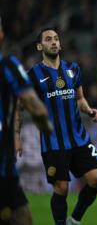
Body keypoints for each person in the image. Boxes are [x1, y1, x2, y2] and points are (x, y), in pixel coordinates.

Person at [17, 27, 97, 225]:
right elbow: (19, 107)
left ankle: (74, 220)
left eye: (56, 39)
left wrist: (89, 110)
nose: (54, 42)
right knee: (61, 187)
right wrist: (16, 136)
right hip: (53, 142)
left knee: (96, 178)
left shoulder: (73, 69)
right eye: (48, 39)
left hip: (79, 138)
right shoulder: (33, 75)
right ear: (40, 46)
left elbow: (80, 98)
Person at [0, 16, 52, 225]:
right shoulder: (8, 66)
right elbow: (34, 106)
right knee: (22, 219)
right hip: (2, 172)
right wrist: (46, 127)